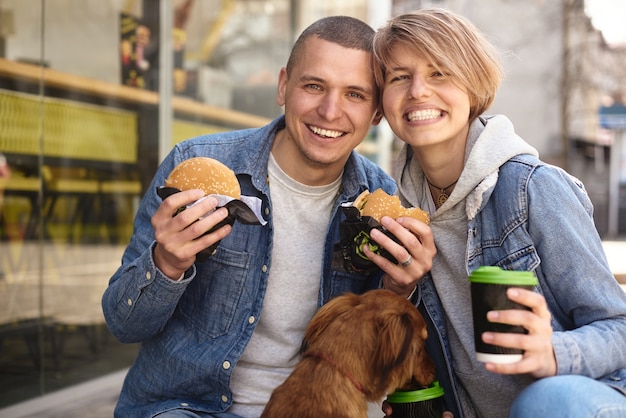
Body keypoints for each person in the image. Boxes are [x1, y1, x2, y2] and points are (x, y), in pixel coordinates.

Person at [102, 15, 436, 418]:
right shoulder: (197, 167)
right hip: (185, 408)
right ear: (283, 86)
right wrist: (166, 264)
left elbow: (381, 351)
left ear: (377, 113)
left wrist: (400, 289)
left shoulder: (382, 206)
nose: (330, 111)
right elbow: (124, 325)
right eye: (314, 86)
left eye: (355, 94)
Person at [368, 8, 626, 418]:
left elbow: (619, 326)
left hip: (584, 401)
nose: (418, 90)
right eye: (399, 77)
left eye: (439, 73)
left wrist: (555, 352)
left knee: (548, 402)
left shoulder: (532, 189)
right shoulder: (390, 212)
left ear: (473, 85)